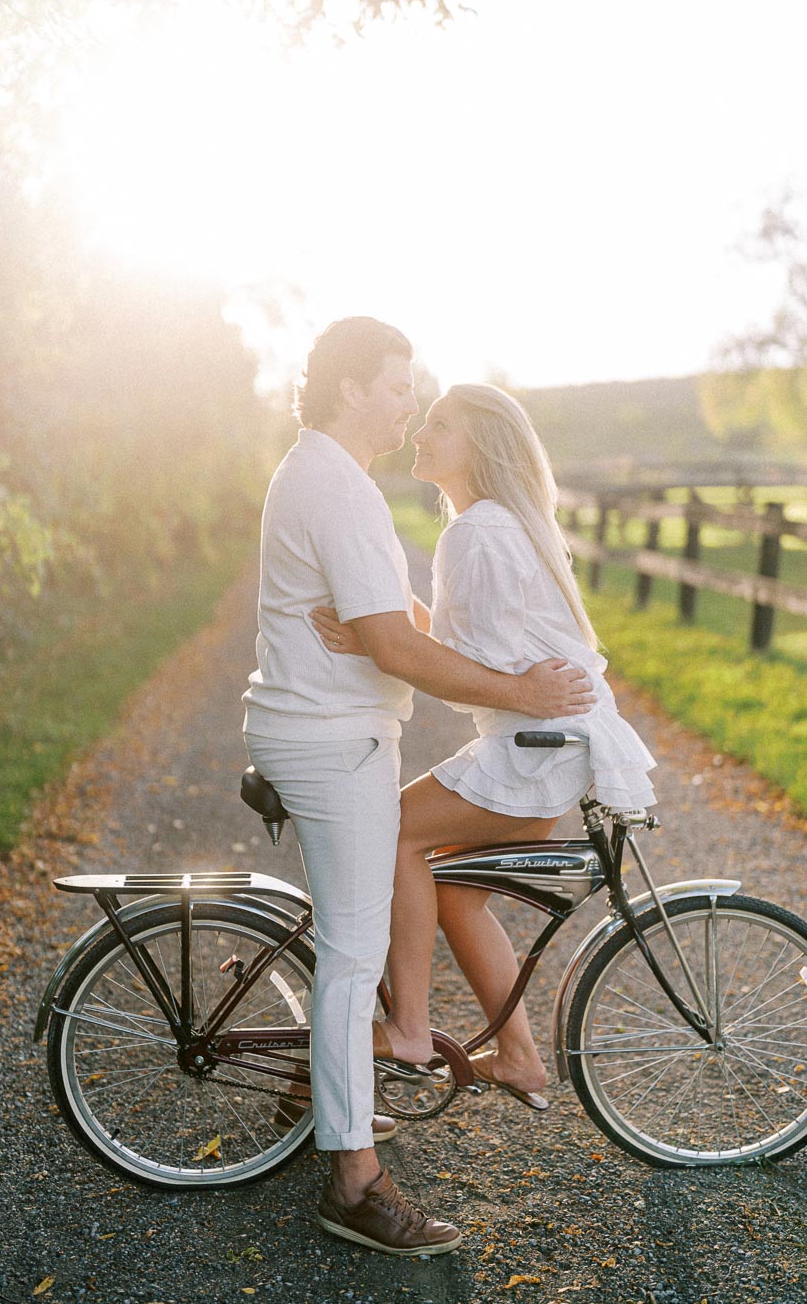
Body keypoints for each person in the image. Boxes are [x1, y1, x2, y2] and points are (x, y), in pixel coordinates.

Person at [243, 324, 596, 1256]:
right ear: (353, 387)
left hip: (337, 734)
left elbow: (396, 623)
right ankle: (355, 1181)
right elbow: (403, 644)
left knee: (364, 930)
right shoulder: (334, 484)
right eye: (400, 387)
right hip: (331, 741)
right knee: (356, 953)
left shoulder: (329, 479)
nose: (409, 404)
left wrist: (389, 634)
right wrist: (521, 694)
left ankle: (335, 1089)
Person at [311, 382, 656, 1107]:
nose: (421, 433)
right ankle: (522, 1057)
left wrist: (383, 647)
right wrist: (388, 624)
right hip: (547, 749)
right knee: (458, 892)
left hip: (533, 749)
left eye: (441, 425)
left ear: (482, 447)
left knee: (396, 833)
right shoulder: (491, 526)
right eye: (424, 420)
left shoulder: (478, 532)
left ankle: (407, 1028)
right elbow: (478, 650)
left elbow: (473, 676)